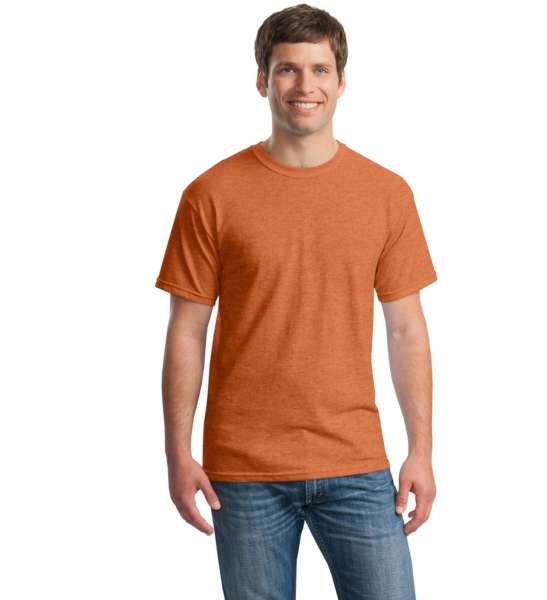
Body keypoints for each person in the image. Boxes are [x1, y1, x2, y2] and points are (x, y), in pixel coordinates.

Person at [155, 4, 438, 599]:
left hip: (356, 461)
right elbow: (186, 330)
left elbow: (406, 329)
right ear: (262, 80)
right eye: (287, 69)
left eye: (319, 69)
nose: (304, 85)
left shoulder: (386, 194)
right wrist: (177, 454)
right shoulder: (211, 194)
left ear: (341, 81)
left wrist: (421, 451)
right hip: (242, 470)